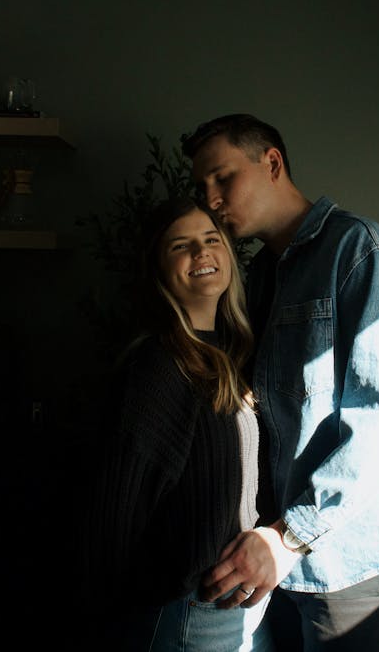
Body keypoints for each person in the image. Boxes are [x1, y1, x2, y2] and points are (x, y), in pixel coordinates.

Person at [181, 114, 379, 651]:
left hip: (354, 554)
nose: (210, 198)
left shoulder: (361, 252)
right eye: (201, 186)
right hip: (288, 550)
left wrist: (290, 536)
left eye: (222, 177)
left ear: (273, 163)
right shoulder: (261, 274)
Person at [75, 196, 275, 652]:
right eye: (180, 246)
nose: (201, 253)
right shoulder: (160, 366)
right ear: (160, 271)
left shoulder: (234, 353)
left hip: (244, 604)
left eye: (210, 240)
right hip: (188, 613)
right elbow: (111, 516)